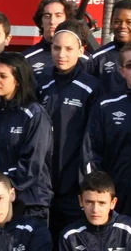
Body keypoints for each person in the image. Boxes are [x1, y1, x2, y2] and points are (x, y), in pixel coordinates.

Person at [82, 39, 131, 232]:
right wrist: (100, 198)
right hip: (112, 202)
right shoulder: (105, 106)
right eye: (130, 65)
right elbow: (90, 153)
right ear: (122, 71)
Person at [40, 27, 98, 237]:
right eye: (56, 48)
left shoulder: (91, 87)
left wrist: (84, 180)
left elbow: (92, 141)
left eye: (68, 49)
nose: (61, 54)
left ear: (81, 50)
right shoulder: (41, 83)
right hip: (43, 184)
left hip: (74, 185)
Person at [0, 52, 53, 220]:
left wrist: (0, 186)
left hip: (29, 203)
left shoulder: (35, 114)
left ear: (18, 80)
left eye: (3, 76)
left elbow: (32, 164)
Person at [90, 0, 131, 91]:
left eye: (129, 22)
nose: (122, 26)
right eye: (117, 21)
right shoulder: (98, 58)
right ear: (111, 23)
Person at [21, 0, 69, 83]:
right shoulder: (25, 58)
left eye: (58, 15)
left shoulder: (84, 59)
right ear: (41, 22)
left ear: (67, 20)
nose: (52, 21)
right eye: (47, 16)